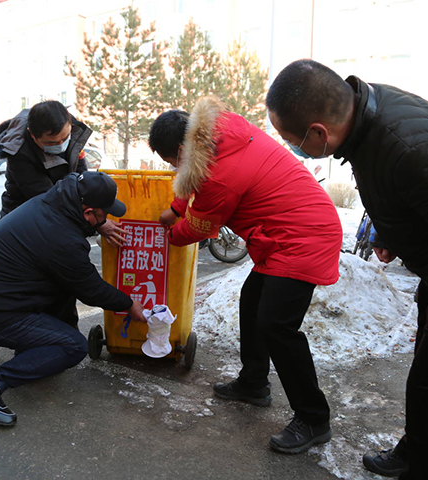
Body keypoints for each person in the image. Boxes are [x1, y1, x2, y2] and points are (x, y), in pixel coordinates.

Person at [266, 59, 428, 479]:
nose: (294, 149)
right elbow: (398, 189)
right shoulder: (366, 119)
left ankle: (426, 468)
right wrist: (389, 234)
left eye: (292, 140)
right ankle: (414, 451)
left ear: (319, 132)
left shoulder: (412, 150)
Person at [148, 100, 343, 454]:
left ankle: (314, 418)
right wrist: (176, 207)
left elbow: (201, 224)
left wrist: (169, 235)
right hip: (288, 231)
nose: (175, 168)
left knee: (277, 327)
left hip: (303, 236)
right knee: (252, 302)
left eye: (171, 162)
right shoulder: (220, 136)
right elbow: (193, 178)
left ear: (181, 149)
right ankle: (254, 383)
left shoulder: (220, 174)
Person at [0, 171, 147, 426]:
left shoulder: (51, 203)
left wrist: (99, 225)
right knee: (72, 347)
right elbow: (90, 288)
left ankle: (30, 351)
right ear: (88, 212)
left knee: (61, 297)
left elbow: (68, 280)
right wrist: (129, 304)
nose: (107, 219)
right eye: (104, 215)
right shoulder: (61, 237)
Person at [0, 100, 125, 371]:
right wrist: (97, 224)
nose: (62, 143)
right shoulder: (19, 151)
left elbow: (81, 180)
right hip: (25, 216)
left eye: (65, 137)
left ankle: (55, 341)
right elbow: (47, 199)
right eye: (53, 141)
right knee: (12, 285)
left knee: (61, 280)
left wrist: (95, 213)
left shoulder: (73, 133)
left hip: (64, 211)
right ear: (34, 136)